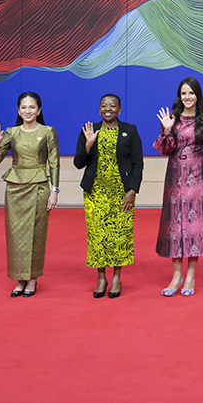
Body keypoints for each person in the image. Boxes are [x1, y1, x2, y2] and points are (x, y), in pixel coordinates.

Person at [154, 77, 203, 296]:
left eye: (191, 93)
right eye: (184, 93)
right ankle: (176, 275)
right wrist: (166, 131)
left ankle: (191, 277)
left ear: (198, 96)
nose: (187, 97)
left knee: (195, 226)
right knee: (175, 226)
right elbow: (165, 149)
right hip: (175, 175)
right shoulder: (171, 119)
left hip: (199, 176)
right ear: (179, 96)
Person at [0, 92, 59, 297]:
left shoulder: (48, 131)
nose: (27, 111)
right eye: (23, 107)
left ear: (39, 110)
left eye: (32, 107)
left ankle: (33, 279)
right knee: (15, 234)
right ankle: (20, 279)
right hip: (14, 188)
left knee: (36, 233)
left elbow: (54, 164)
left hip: (39, 187)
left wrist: (54, 191)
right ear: (18, 110)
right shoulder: (11, 132)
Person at [74, 93, 144, 298]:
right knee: (98, 236)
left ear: (119, 110)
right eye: (104, 106)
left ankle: (116, 277)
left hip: (122, 193)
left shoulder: (130, 131)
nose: (108, 109)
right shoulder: (89, 130)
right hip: (95, 193)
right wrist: (88, 144)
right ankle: (101, 277)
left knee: (120, 235)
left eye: (112, 106)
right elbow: (78, 163)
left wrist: (133, 190)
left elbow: (138, 163)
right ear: (99, 109)